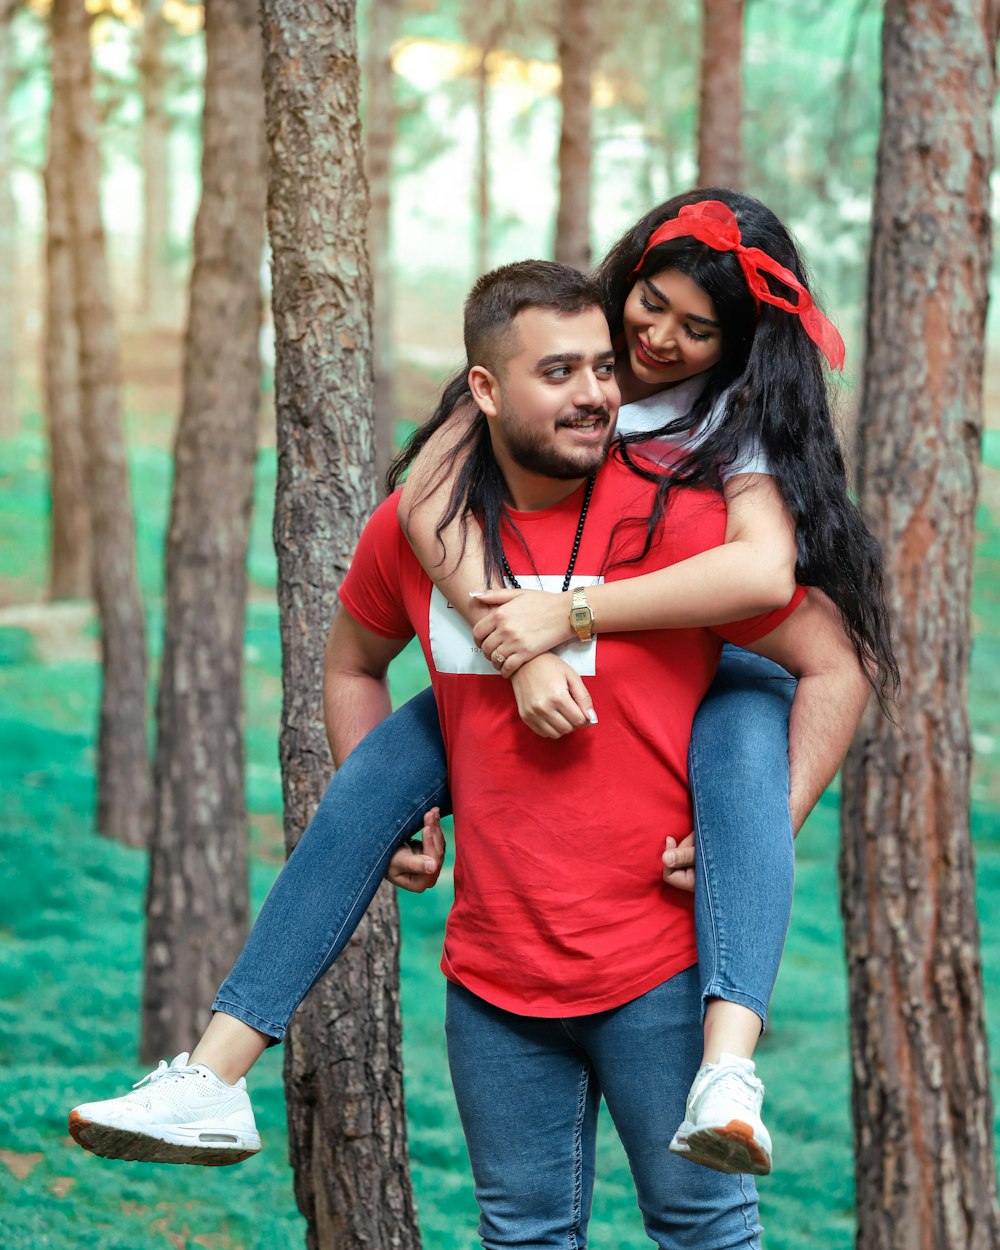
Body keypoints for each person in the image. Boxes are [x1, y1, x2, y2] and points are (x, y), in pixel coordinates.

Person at [68, 193, 893, 1182]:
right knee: (373, 781)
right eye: (651, 305)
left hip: (718, 657)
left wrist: (571, 615)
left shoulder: (730, 429)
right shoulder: (550, 379)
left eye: (697, 328)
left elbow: (768, 585)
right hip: (517, 823)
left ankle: (727, 1066)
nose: (655, 342)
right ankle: (212, 1074)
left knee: (747, 754)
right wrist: (524, 648)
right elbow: (422, 496)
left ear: (738, 340)